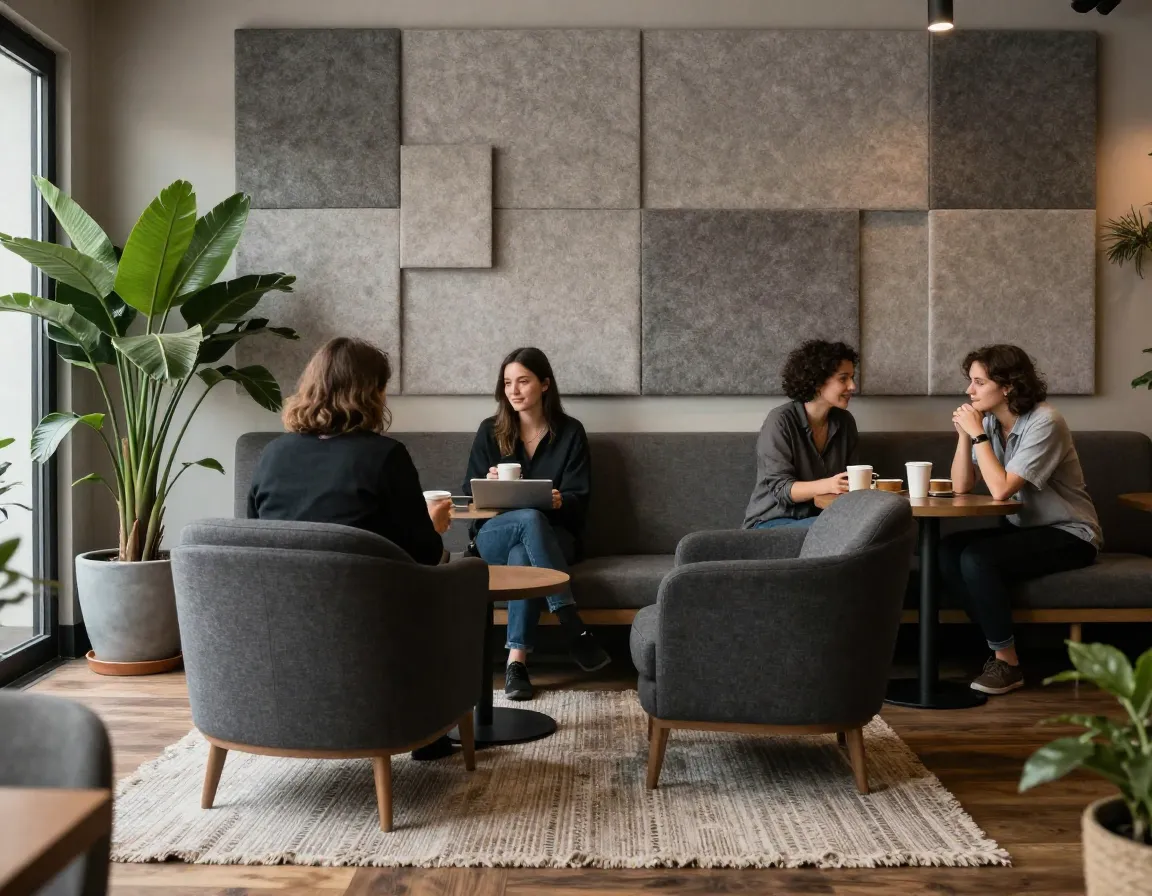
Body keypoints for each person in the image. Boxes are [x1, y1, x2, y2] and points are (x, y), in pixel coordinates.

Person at [248, 337, 457, 760]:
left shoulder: (272, 455)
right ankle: (428, 732)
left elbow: (256, 546)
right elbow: (425, 555)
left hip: (279, 629)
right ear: (369, 391)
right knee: (445, 586)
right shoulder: (385, 456)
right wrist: (434, 525)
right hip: (366, 628)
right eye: (381, 386)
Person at [942, 344, 1101, 696]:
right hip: (1025, 529)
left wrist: (978, 435)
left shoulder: (1046, 422)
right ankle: (998, 648)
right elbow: (961, 486)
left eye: (979, 382)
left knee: (978, 558)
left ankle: (1008, 664)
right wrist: (964, 435)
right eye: (971, 382)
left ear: (1008, 386)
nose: (970, 391)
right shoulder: (990, 424)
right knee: (948, 550)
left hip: (1070, 533)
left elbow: (1000, 490)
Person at [463, 347, 609, 701]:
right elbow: (469, 500)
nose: (513, 391)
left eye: (523, 381)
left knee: (522, 556)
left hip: (557, 537)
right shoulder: (490, 431)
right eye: (508, 382)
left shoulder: (571, 433)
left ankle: (516, 663)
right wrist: (491, 484)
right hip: (493, 535)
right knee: (527, 519)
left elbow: (580, 500)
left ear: (544, 385)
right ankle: (572, 626)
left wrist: (561, 500)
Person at [743, 339, 860, 529]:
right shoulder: (780, 421)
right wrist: (829, 485)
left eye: (852, 377)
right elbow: (782, 489)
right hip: (771, 523)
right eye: (843, 378)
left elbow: (851, 481)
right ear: (818, 382)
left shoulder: (845, 423)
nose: (852, 386)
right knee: (844, 529)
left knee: (882, 526)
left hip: (823, 521)